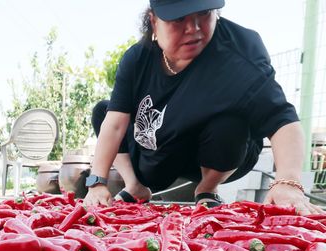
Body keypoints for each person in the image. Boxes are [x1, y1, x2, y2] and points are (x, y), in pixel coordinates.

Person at [83, 0, 322, 214]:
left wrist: (287, 182)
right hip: (159, 157)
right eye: (178, 19)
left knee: (232, 123)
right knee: (103, 111)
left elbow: (282, 119)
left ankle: (206, 190)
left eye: (204, 13)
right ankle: (135, 186)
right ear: (153, 21)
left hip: (221, 153)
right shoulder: (137, 59)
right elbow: (114, 124)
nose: (194, 29)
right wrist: (97, 182)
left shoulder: (239, 50)